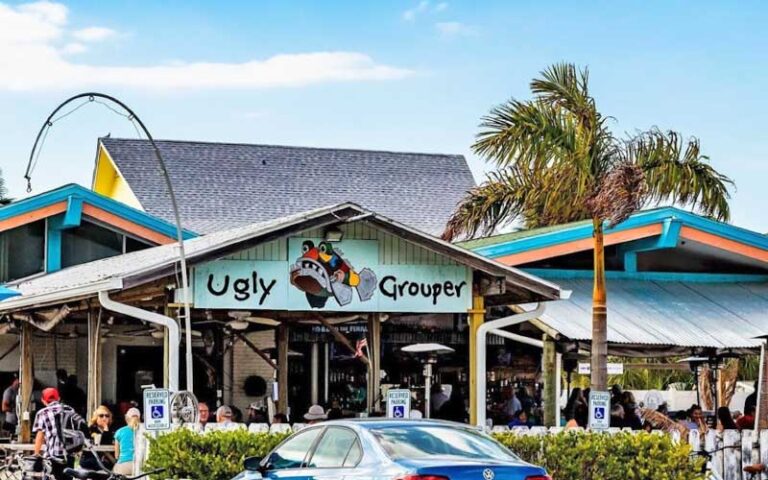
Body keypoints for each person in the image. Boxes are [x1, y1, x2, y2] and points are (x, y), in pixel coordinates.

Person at [33, 387, 87, 480]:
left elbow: (40, 435)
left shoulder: (42, 413)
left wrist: (36, 454)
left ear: (43, 400)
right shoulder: (69, 410)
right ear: (58, 398)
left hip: (51, 455)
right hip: (69, 454)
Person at [80, 405, 115, 470]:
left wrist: (106, 430)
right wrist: (106, 430)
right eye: (101, 416)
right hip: (90, 459)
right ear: (96, 418)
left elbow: (107, 445)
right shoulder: (90, 429)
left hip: (104, 460)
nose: (104, 418)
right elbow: (102, 445)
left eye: (107, 416)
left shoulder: (111, 430)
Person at [113, 408, 140, 476]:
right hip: (140, 465)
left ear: (126, 418)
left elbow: (116, 455)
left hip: (124, 466)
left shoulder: (119, 432)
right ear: (139, 418)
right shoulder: (144, 430)